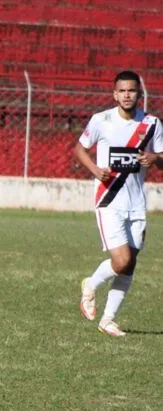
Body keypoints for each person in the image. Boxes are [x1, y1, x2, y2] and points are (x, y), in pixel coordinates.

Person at [74, 70, 163, 337]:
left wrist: (153, 158)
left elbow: (161, 156)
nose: (127, 95)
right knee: (121, 259)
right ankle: (91, 283)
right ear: (114, 94)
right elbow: (79, 149)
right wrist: (94, 169)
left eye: (131, 91)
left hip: (136, 203)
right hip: (108, 199)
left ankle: (108, 320)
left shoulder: (151, 124)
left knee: (131, 263)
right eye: (122, 91)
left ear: (139, 94)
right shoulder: (101, 120)